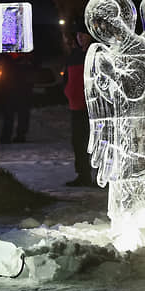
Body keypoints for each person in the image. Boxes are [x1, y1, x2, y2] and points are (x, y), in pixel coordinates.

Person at [64, 18, 93, 187]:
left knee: (94, 143)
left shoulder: (96, 53)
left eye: (84, 34)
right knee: (78, 142)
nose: (81, 37)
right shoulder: (74, 55)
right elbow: (68, 78)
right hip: (76, 107)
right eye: (79, 35)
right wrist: (67, 92)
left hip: (93, 108)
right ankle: (83, 175)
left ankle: (100, 177)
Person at [0, 52, 36, 143]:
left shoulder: (14, 57)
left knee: (13, 112)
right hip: (19, 87)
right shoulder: (24, 57)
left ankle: (12, 135)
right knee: (17, 112)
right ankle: (15, 135)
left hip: (15, 87)